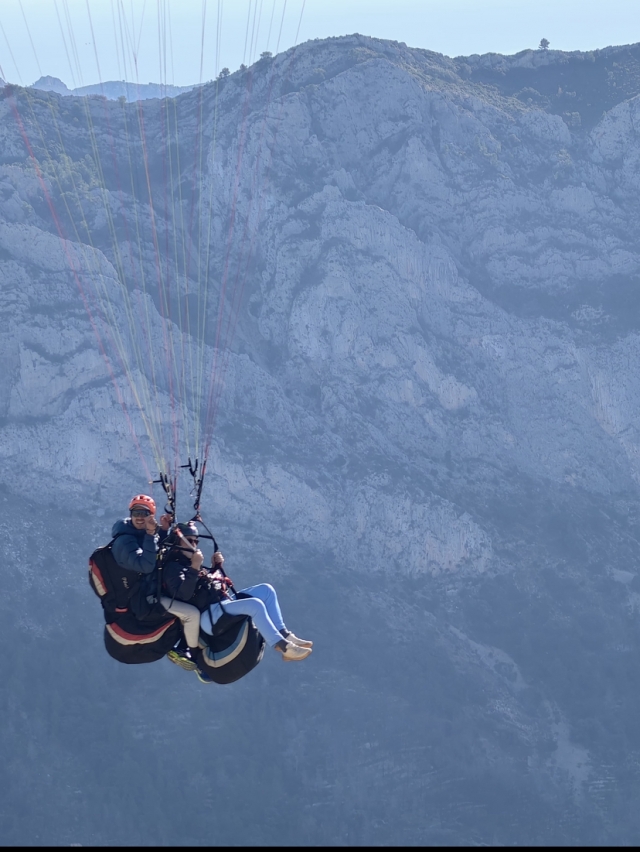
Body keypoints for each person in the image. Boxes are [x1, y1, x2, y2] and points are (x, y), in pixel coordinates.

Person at [162, 522, 313, 673]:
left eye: (196, 541)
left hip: (219, 606)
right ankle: (284, 647)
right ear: (177, 542)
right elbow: (183, 595)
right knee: (254, 605)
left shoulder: (190, 564)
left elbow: (205, 585)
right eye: (190, 540)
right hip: (208, 617)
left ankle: (284, 634)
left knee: (266, 591)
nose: (194, 544)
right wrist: (195, 567)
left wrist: (215, 567)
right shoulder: (173, 567)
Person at [111, 496, 202, 667]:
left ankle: (190, 645)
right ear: (130, 514)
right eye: (135, 512)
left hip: (154, 590)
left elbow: (153, 549)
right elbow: (146, 565)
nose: (139, 517)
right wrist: (152, 533)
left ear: (151, 516)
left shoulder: (139, 534)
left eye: (144, 513)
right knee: (192, 614)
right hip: (144, 600)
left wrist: (162, 531)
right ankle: (192, 655)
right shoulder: (124, 541)